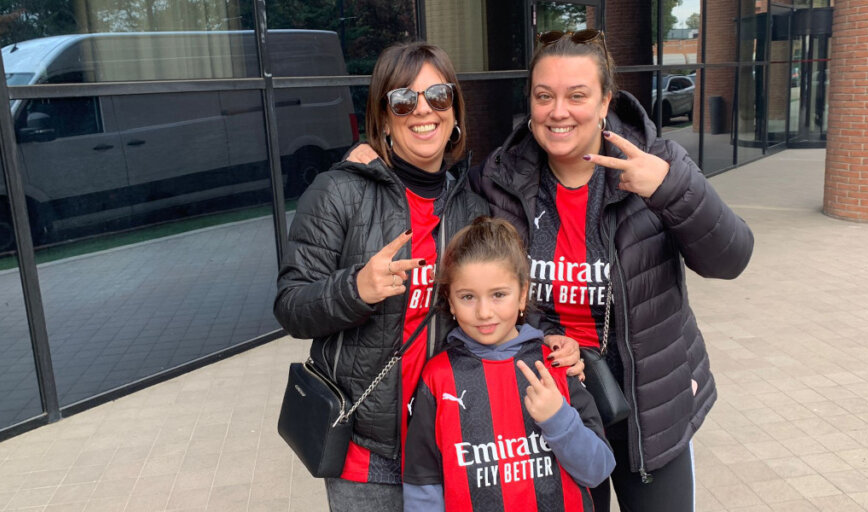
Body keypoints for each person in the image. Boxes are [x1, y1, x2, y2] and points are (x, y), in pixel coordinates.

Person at [470, 30, 755, 512]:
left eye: (577, 95)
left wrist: (669, 188)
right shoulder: (501, 178)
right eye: (544, 96)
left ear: (605, 101)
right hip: (556, 408)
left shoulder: (656, 161)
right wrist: (380, 157)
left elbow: (731, 259)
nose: (558, 111)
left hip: (651, 409)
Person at [273, 42, 489, 511]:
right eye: (403, 100)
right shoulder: (338, 193)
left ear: (454, 112)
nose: (423, 111)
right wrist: (355, 289)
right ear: (384, 118)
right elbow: (290, 306)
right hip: (365, 451)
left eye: (438, 96)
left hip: (448, 440)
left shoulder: (472, 210)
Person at [402, 217, 614, 511]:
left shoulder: (555, 364)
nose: (484, 312)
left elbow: (598, 470)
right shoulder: (437, 377)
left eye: (499, 295)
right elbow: (422, 484)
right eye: (467, 297)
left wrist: (558, 418)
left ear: (522, 294)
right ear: (450, 301)